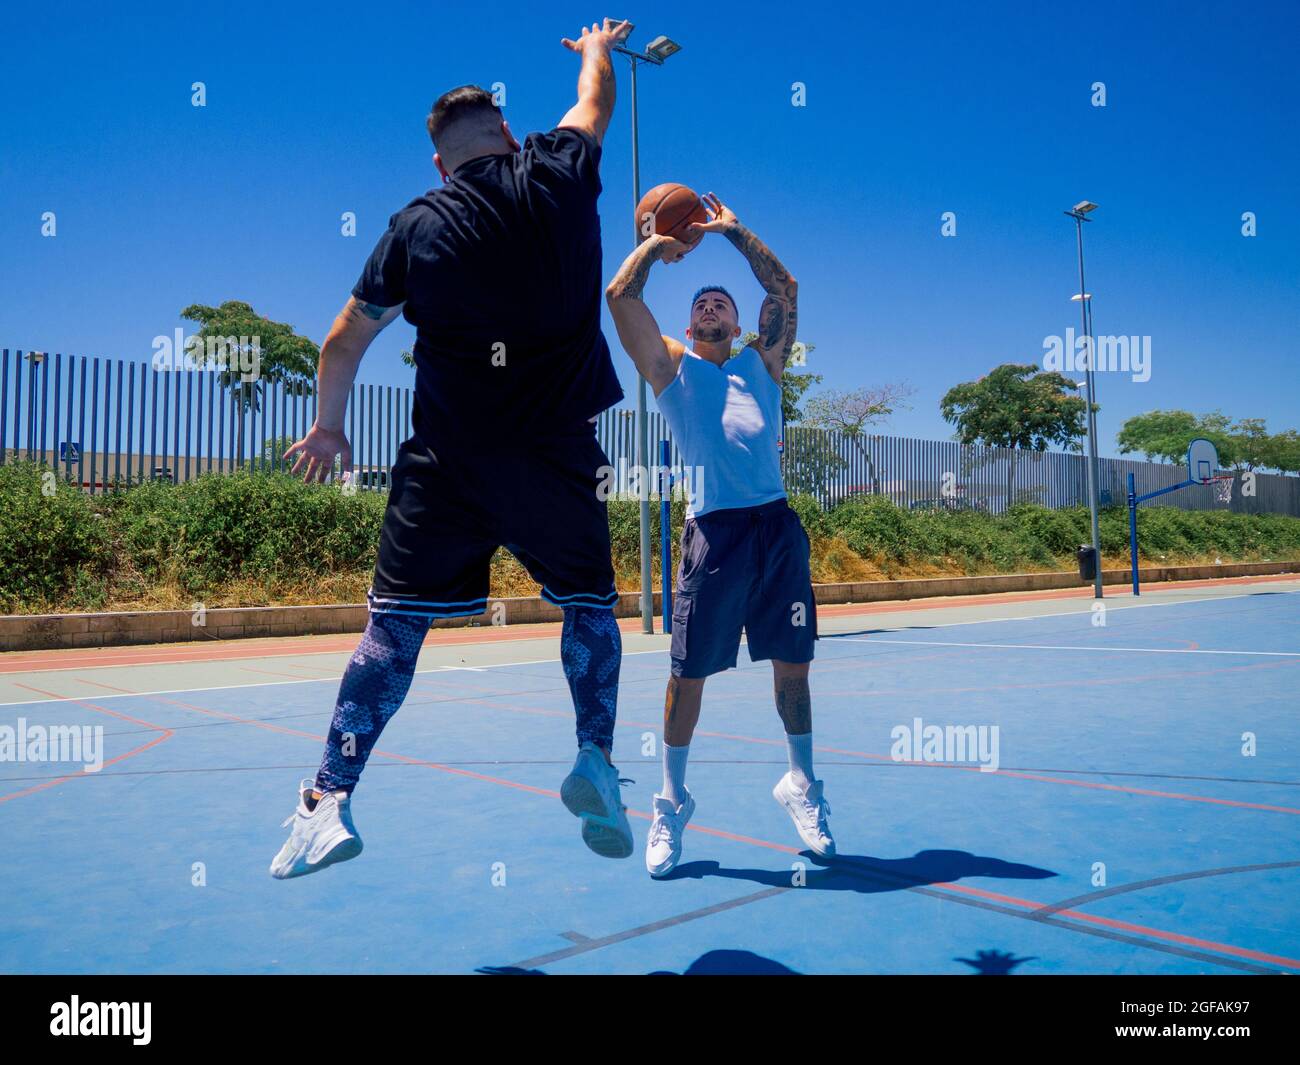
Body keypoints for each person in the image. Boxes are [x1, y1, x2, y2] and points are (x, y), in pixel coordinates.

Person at [271, 19, 638, 879]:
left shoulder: (414, 224)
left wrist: (329, 426)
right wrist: (594, 48)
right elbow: (595, 103)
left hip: (447, 460)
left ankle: (329, 798)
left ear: (439, 163)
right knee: (588, 606)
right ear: (509, 134)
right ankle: (595, 761)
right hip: (554, 451)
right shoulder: (557, 168)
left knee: (393, 629)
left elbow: (341, 341)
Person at [605, 193, 834, 878]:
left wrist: (730, 231)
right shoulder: (673, 370)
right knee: (688, 675)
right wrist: (658, 243)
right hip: (713, 534)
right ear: (688, 321)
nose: (710, 305)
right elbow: (620, 296)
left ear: (739, 323)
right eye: (700, 301)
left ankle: (802, 783)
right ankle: (671, 802)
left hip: (776, 528)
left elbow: (785, 287)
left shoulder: (761, 365)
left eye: (721, 303)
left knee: (793, 667)